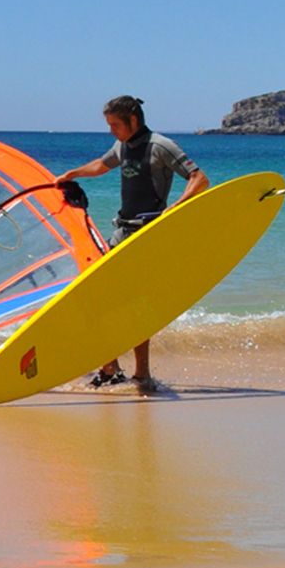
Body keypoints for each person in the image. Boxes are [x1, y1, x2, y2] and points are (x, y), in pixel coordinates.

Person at [54, 95, 210, 392]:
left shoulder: (161, 146)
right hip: (122, 231)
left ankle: (141, 375)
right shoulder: (122, 145)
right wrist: (73, 174)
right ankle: (110, 367)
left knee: (135, 305)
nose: (111, 130)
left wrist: (176, 208)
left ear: (133, 120)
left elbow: (199, 178)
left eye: (115, 124)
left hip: (147, 234)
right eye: (109, 124)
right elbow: (103, 164)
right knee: (98, 295)